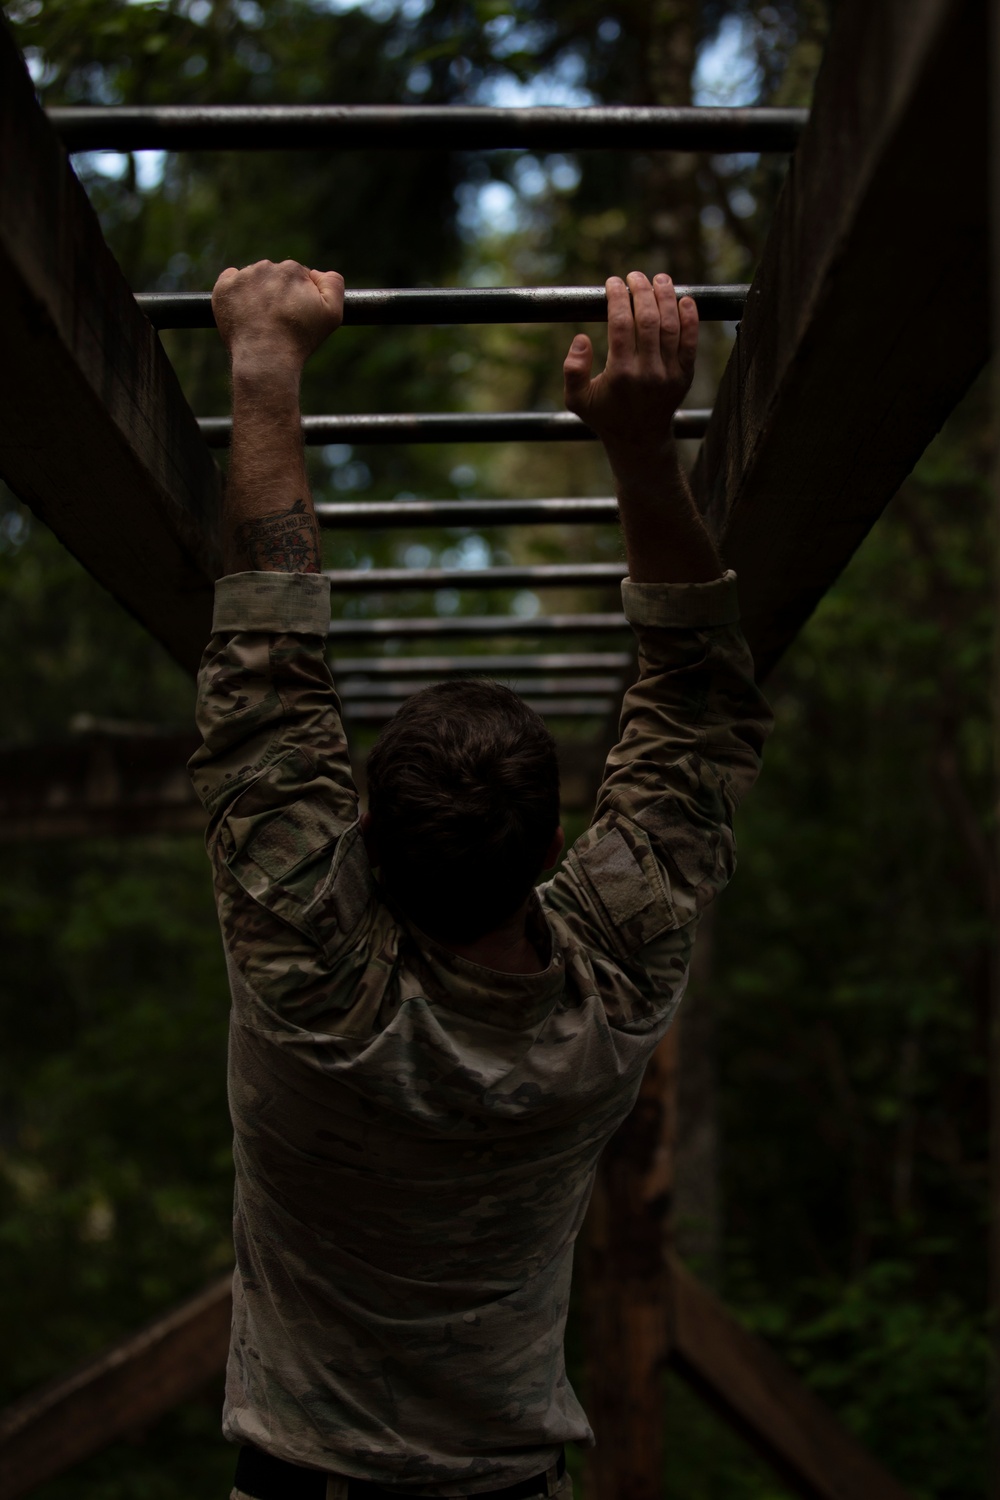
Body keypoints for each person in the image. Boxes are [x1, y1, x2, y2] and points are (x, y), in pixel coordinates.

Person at [190, 259, 771, 1500]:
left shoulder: (317, 983)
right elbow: (266, 689)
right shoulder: (596, 1001)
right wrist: (264, 366)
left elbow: (696, 709)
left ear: (367, 856)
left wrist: (634, 437)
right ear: (551, 856)